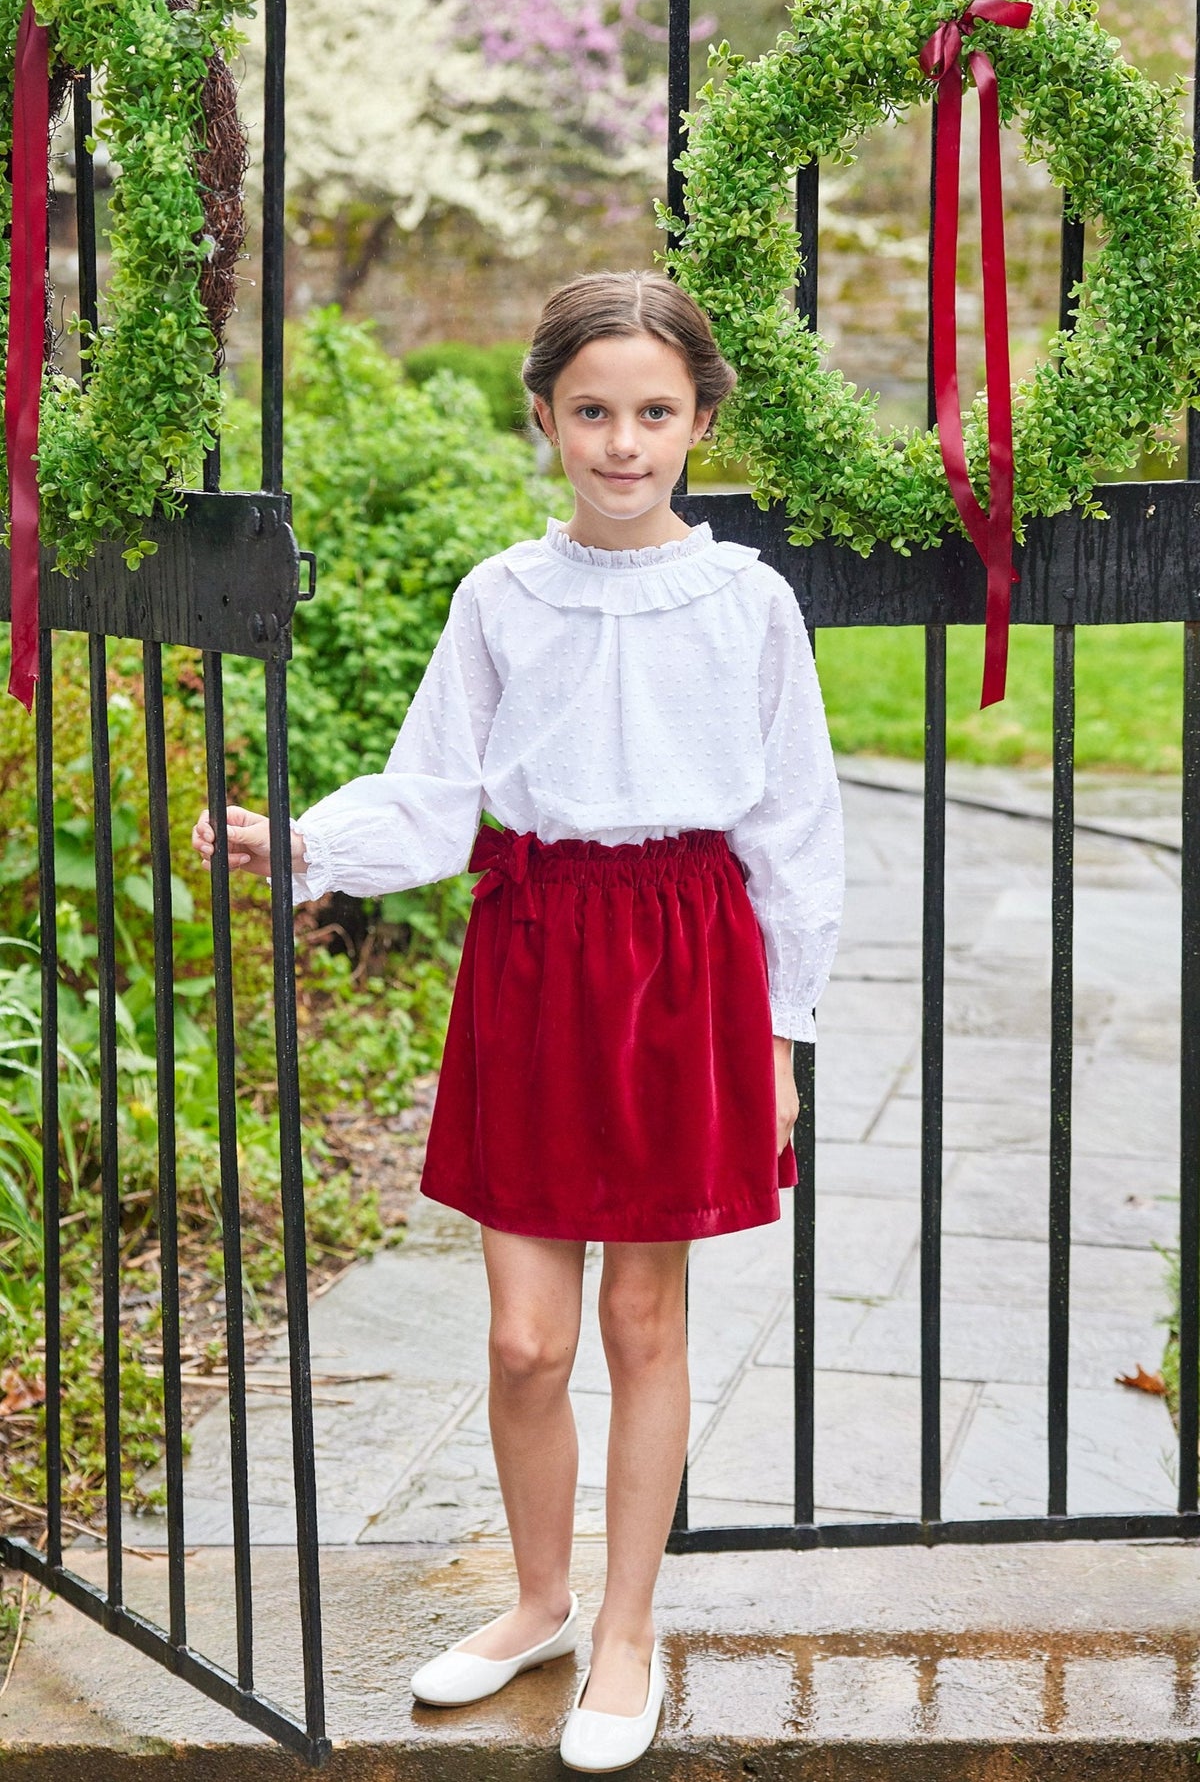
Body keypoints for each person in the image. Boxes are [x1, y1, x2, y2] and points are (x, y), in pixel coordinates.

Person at [192, 269, 843, 1773]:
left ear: (699, 423)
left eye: (657, 414)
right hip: (538, 955)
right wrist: (303, 845)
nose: (625, 444)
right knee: (527, 1339)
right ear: (545, 415)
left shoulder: (747, 601)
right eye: (595, 412)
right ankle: (541, 1600)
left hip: (685, 961)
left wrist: (780, 1031)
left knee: (640, 1314)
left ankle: (628, 1630)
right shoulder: (503, 595)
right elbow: (435, 787)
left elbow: (797, 829)